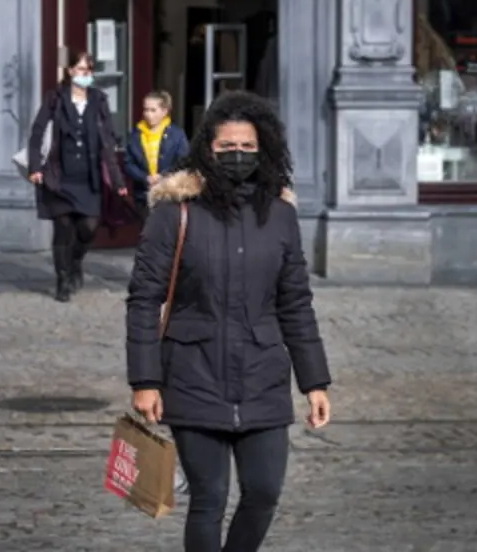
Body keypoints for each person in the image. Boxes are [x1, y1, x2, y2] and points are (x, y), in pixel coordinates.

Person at [126, 91, 332, 552]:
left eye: (247, 147)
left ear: (264, 151)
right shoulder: (173, 214)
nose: (237, 156)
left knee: (263, 493)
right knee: (210, 497)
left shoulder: (280, 217)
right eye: (226, 148)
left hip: (263, 375)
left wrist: (314, 381)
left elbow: (295, 301)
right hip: (192, 372)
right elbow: (143, 300)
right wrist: (145, 380)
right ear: (207, 149)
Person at [26, 52, 128, 302]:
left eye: (89, 71)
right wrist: (35, 166)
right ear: (70, 70)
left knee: (88, 227)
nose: (86, 75)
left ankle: (75, 261)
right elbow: (38, 132)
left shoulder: (99, 100)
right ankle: (62, 279)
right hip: (59, 176)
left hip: (89, 177)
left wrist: (117, 180)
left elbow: (107, 140)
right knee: (62, 226)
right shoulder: (55, 98)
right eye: (81, 70)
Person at [125, 90, 190, 215]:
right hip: (143, 195)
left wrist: (163, 175)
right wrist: (145, 178)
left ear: (164, 112)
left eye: (153, 110)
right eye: (146, 110)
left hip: (169, 194)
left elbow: (184, 161)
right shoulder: (136, 134)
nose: (148, 114)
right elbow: (128, 163)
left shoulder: (176, 135)